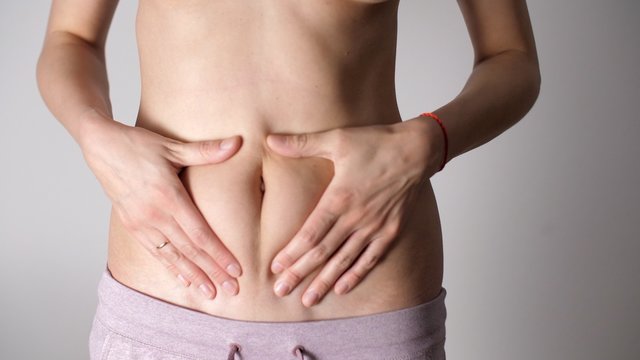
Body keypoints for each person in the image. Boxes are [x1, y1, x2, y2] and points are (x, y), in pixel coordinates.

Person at [36, 0, 540, 359]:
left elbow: (511, 58)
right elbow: (70, 39)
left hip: (365, 311)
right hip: (165, 311)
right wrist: (94, 133)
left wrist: (430, 141)